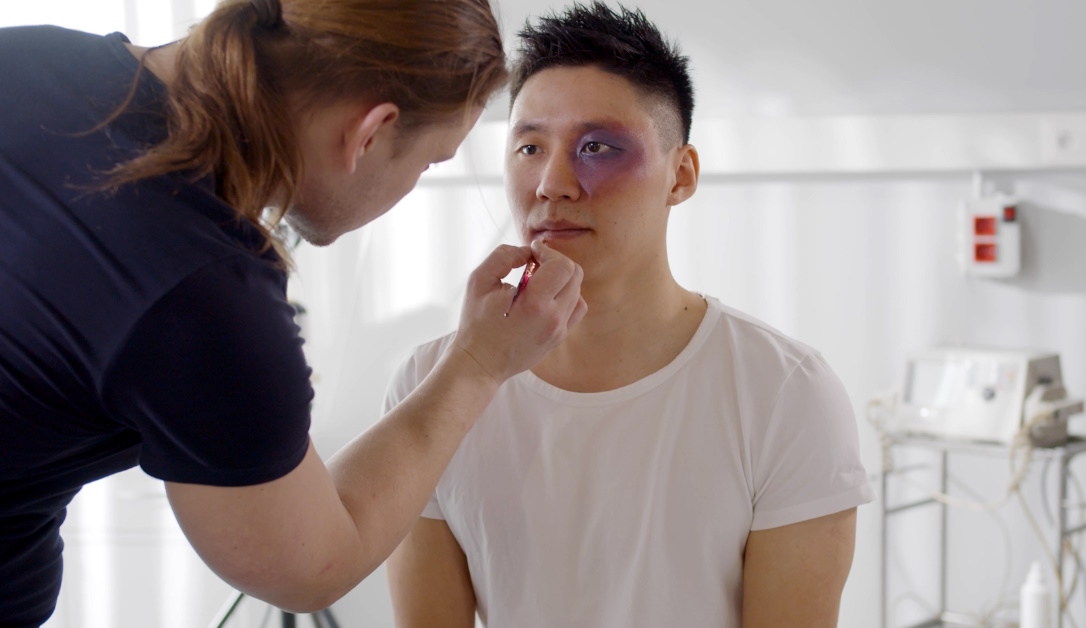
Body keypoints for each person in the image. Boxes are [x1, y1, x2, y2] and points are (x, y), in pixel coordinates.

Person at [0, 0, 587, 624]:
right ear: (370, 132)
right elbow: (312, 568)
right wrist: (474, 364)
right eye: (430, 160)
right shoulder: (206, 296)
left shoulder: (29, 52)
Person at [383, 3, 874, 627]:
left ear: (681, 175)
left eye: (597, 146)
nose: (552, 183)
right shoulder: (435, 386)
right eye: (530, 146)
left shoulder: (783, 393)